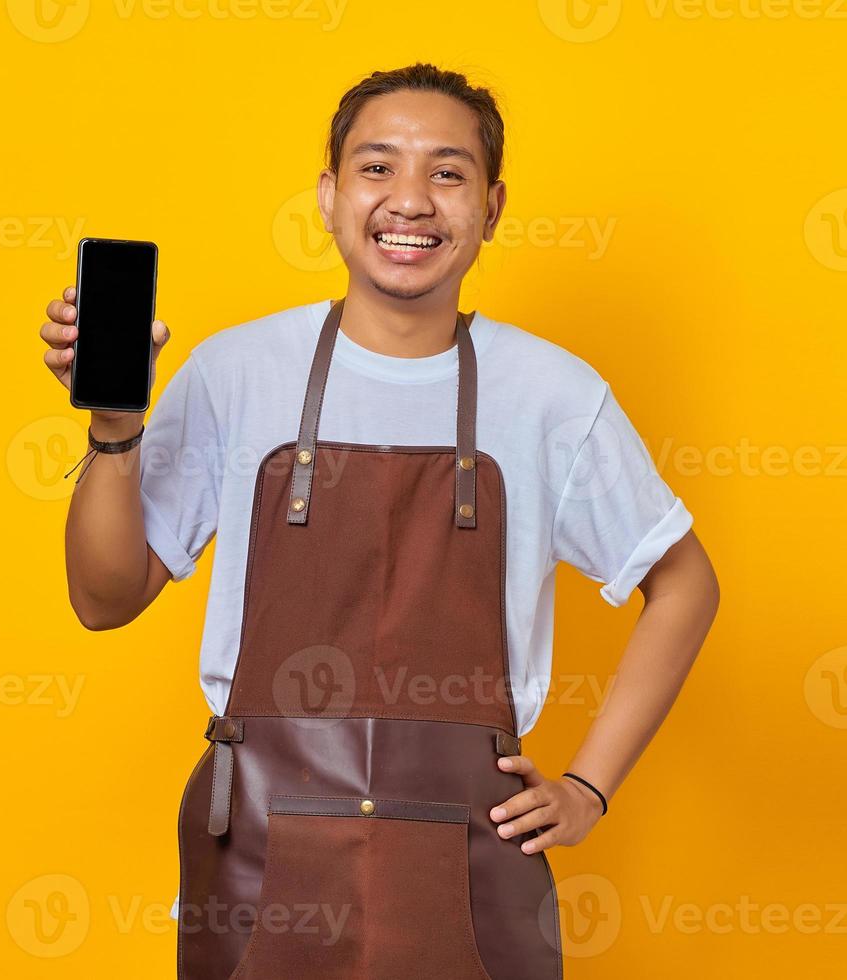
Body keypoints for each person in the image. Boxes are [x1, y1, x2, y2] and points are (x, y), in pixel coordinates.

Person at [36, 62, 719, 979]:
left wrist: (590, 789)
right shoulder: (237, 371)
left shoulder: (554, 395)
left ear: (493, 204)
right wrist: (116, 432)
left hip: (471, 857)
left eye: (447, 172)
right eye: (377, 167)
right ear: (327, 195)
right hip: (261, 851)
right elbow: (104, 596)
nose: (411, 201)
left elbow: (685, 584)